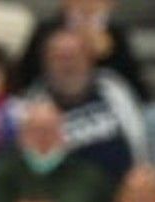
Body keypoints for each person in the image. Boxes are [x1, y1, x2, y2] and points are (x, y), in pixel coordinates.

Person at [25, 27, 147, 182]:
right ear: (46, 63)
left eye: (73, 57)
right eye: (59, 58)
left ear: (89, 59)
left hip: (121, 190)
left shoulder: (113, 88)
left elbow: (137, 138)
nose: (67, 65)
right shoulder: (34, 102)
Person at [0, 98, 114, 202]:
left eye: (49, 130)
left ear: (63, 134)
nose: (43, 137)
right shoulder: (0, 174)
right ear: (21, 135)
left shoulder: (88, 176)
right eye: (35, 130)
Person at [15, 0, 152, 101]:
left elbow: (139, 92)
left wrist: (109, 56)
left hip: (106, 109)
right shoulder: (45, 32)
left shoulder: (116, 35)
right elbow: (25, 81)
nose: (88, 4)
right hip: (53, 110)